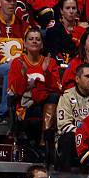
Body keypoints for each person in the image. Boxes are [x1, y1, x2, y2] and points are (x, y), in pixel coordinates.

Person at [7, 27, 61, 164]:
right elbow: (16, 91)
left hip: (46, 104)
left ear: (42, 44)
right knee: (38, 109)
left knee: (53, 97)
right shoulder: (17, 62)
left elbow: (56, 88)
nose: (34, 41)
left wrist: (46, 72)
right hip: (26, 106)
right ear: (24, 43)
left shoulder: (50, 62)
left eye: (38, 39)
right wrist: (23, 75)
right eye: (31, 39)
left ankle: (45, 138)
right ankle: (44, 141)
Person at [56, 63, 89, 173]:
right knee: (67, 139)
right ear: (77, 79)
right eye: (87, 76)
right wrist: (84, 134)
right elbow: (64, 125)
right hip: (74, 139)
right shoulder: (67, 96)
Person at [44, 0, 88, 69]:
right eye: (67, 8)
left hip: (80, 66)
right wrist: (78, 31)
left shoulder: (85, 28)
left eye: (74, 8)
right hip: (59, 66)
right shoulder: (53, 29)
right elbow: (55, 52)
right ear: (61, 11)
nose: (71, 11)